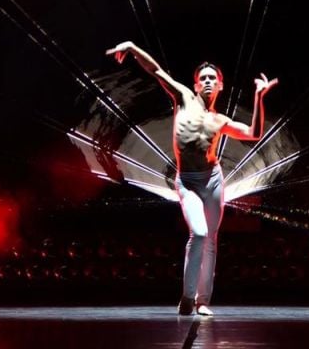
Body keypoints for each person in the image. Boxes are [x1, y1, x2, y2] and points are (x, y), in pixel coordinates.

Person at [106, 40, 278, 316]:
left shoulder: (220, 120)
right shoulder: (184, 97)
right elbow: (156, 70)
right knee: (198, 234)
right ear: (196, 85)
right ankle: (187, 297)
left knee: (210, 240)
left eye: (213, 79)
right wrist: (132, 47)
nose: (208, 82)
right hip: (187, 181)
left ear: (220, 86)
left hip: (213, 180)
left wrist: (258, 98)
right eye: (203, 79)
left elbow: (253, 133)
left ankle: (203, 301)